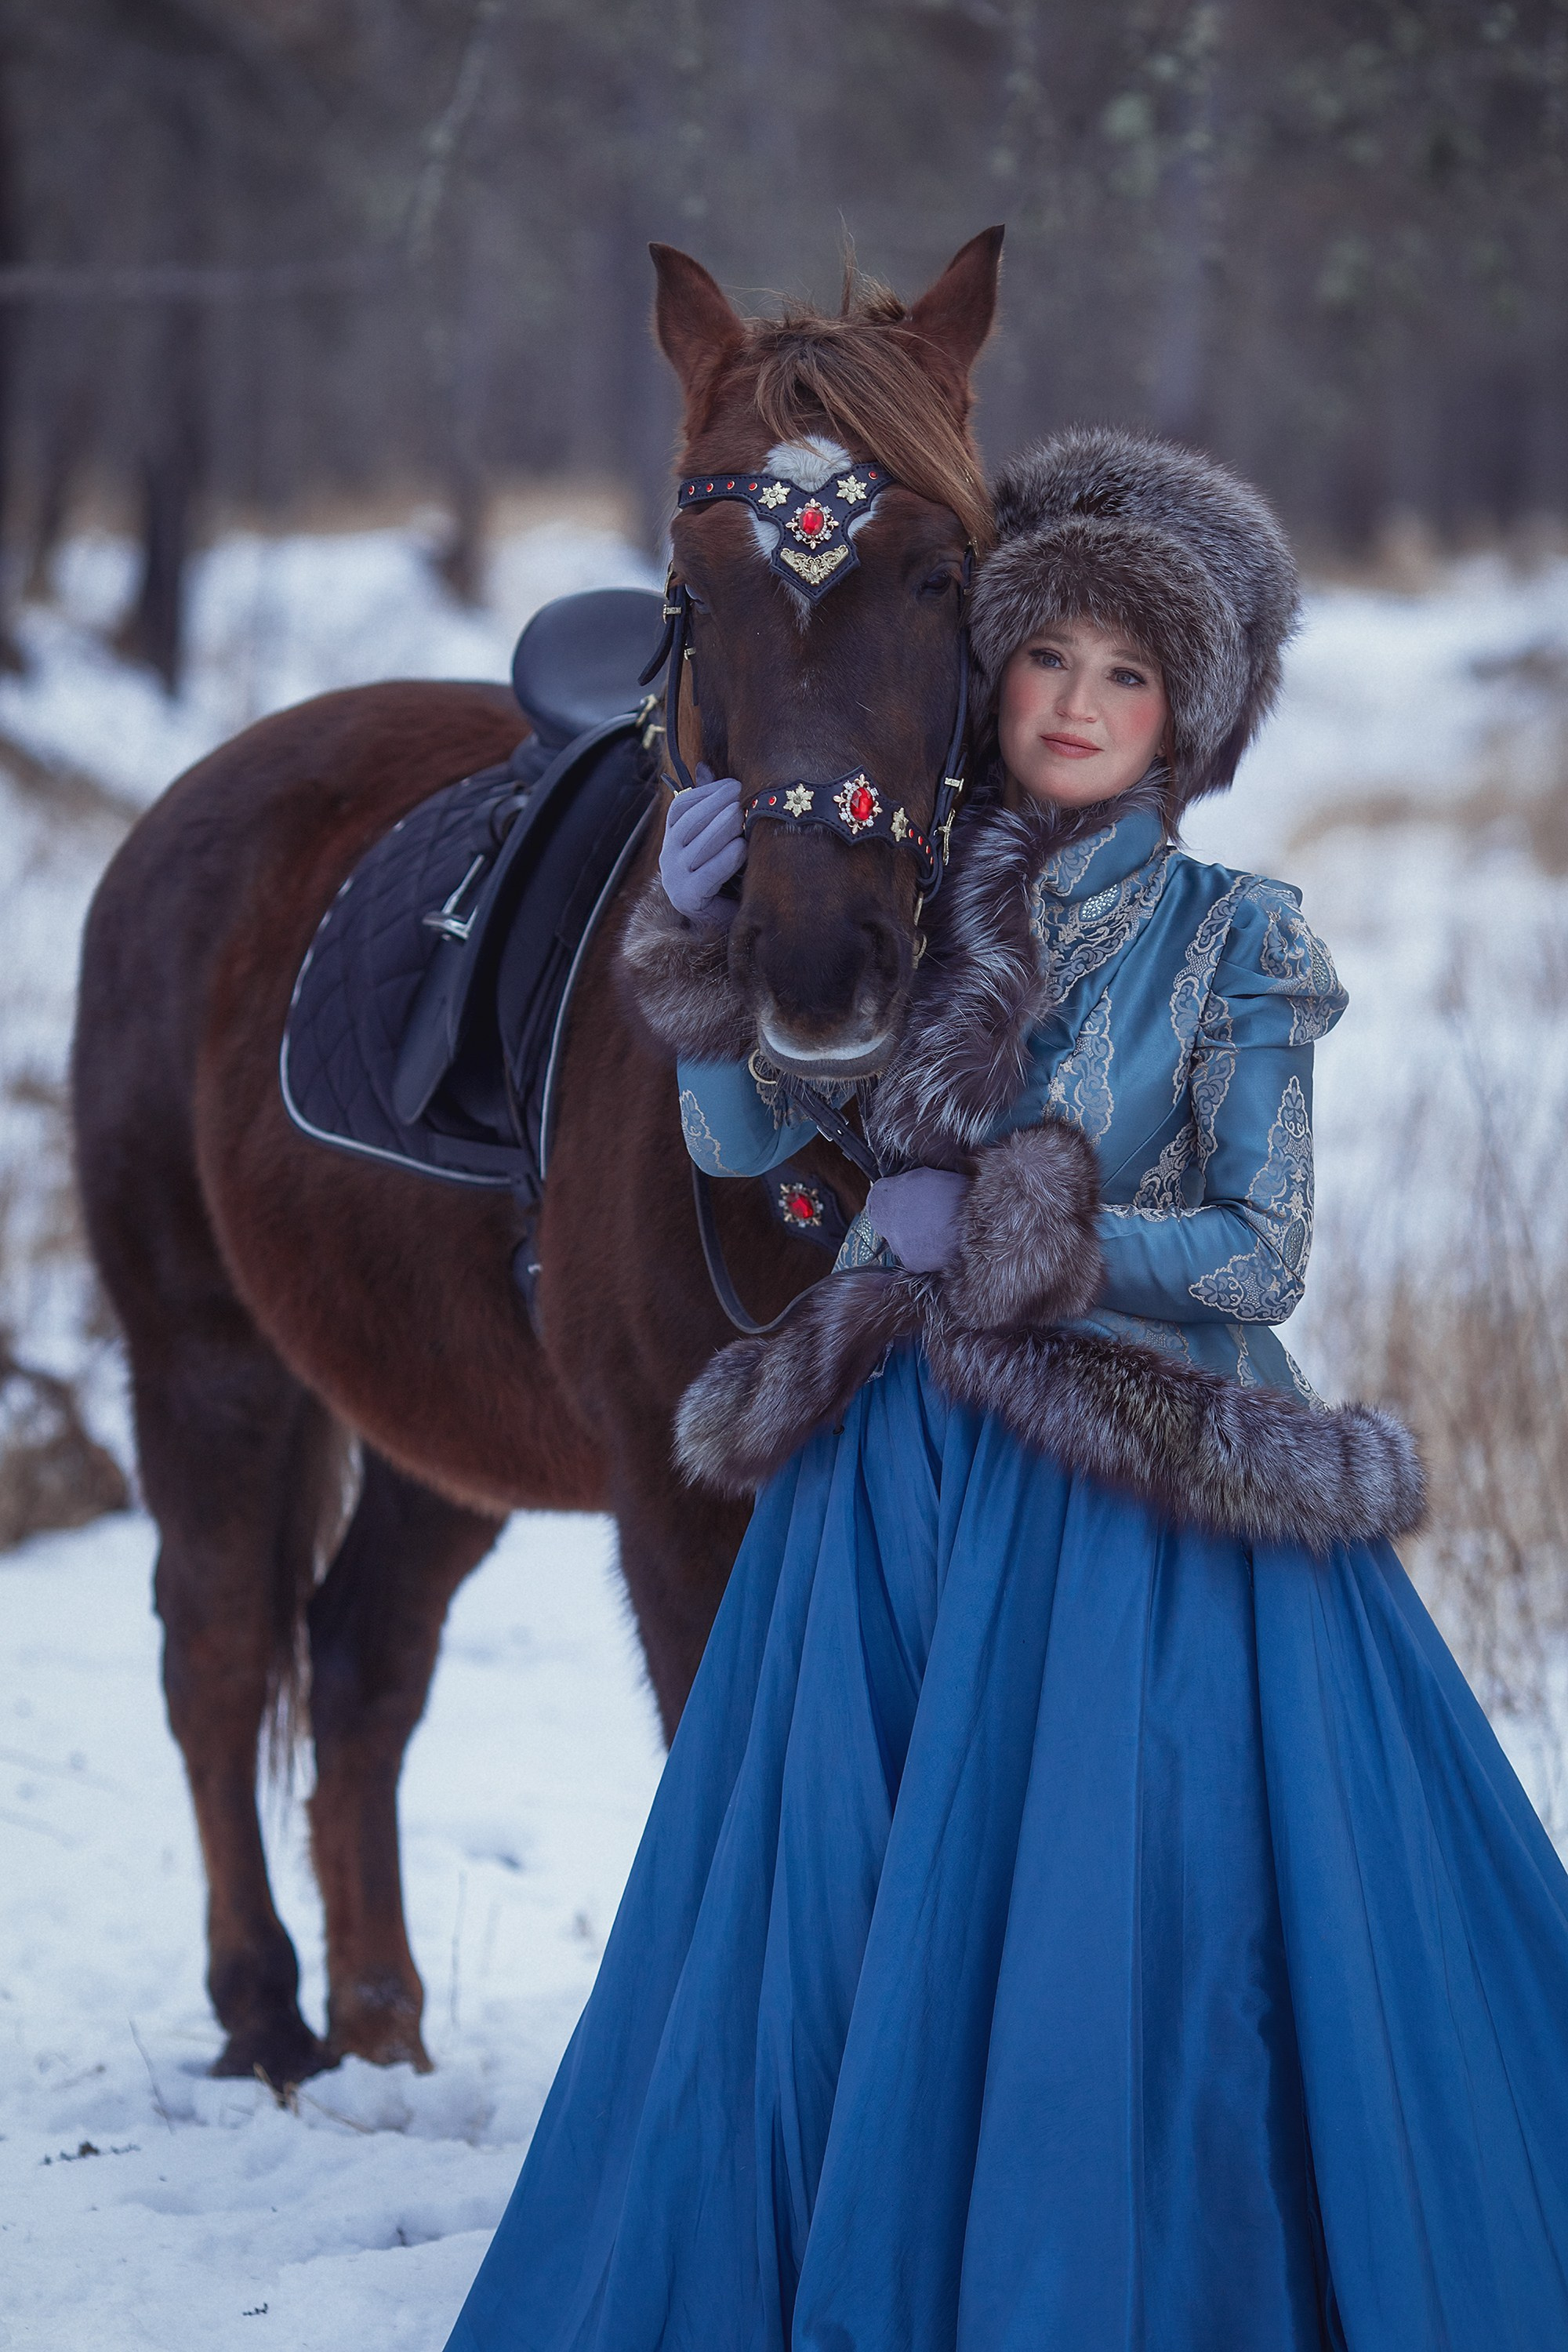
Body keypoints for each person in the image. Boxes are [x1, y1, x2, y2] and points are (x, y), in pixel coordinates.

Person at [445, 430, 1568, 2351]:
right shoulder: (920, 902)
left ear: (1187, 721)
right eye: (1044, 657)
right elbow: (741, 1141)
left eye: (1126, 673)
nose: (1073, 703)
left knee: (1125, 1913)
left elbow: (1258, 1252)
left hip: (1136, 1497)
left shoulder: (1233, 938)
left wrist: (1019, 1233)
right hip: (893, 1484)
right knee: (849, 1897)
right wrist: (694, 956)